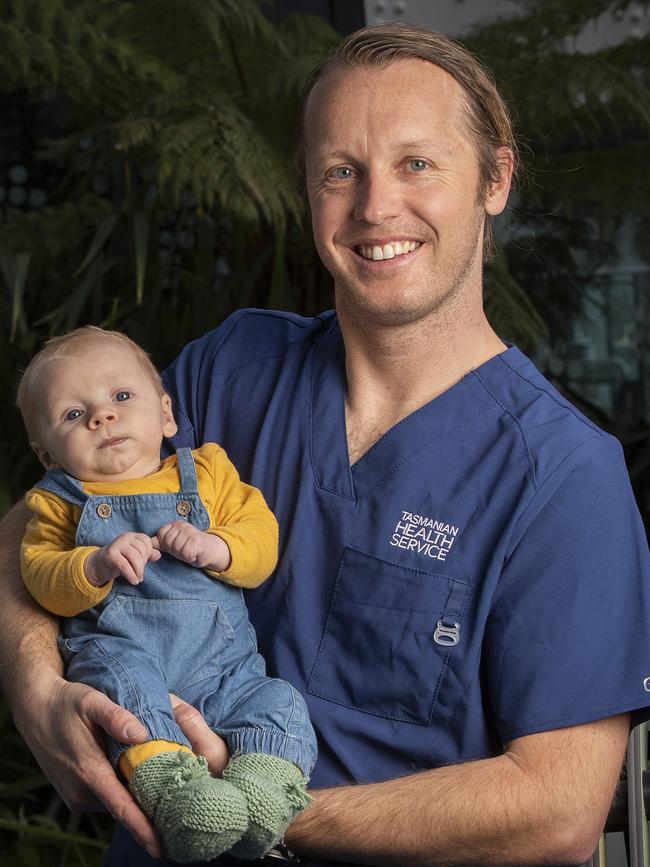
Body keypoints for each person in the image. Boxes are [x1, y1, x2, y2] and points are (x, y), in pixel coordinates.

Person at [1, 21, 650, 867]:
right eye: (341, 171)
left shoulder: (563, 477)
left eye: (417, 163)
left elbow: (556, 808)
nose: (376, 206)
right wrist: (33, 683)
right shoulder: (231, 370)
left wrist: (255, 808)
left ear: (495, 178)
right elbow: (38, 517)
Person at [15, 326, 315, 863]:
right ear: (47, 456)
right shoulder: (58, 504)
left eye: (121, 397)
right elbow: (39, 574)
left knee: (279, 701)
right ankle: (177, 794)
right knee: (124, 694)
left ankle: (263, 788)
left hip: (223, 666)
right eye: (72, 415)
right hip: (125, 654)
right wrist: (93, 563)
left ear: (167, 415)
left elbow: (261, 539)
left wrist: (216, 547)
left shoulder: (207, 473)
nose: (101, 417)